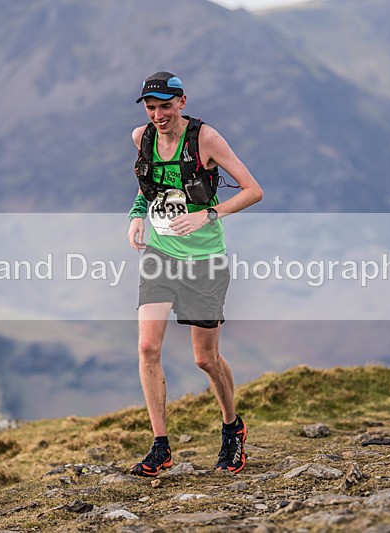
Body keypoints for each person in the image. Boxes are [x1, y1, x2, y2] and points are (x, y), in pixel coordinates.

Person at [126, 71, 263, 476]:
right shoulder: (142, 138)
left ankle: (231, 427)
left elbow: (253, 189)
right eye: (151, 107)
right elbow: (148, 183)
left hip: (205, 260)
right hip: (160, 255)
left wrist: (209, 214)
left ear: (181, 102)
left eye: (165, 106)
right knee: (148, 347)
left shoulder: (205, 139)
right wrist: (136, 216)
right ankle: (160, 447)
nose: (157, 115)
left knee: (205, 359)